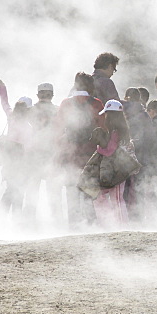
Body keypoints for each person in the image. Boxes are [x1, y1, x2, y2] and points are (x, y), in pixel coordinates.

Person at [53, 72, 105, 229]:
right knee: (89, 189)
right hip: (91, 154)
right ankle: (91, 224)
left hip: (70, 153)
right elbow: (103, 129)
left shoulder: (66, 104)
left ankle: (73, 226)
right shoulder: (96, 104)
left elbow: (58, 129)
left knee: (71, 189)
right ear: (91, 86)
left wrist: (59, 150)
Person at [79, 100, 131, 228]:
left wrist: (99, 148)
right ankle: (115, 226)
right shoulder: (122, 131)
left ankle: (118, 227)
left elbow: (110, 150)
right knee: (113, 197)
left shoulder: (115, 132)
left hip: (116, 169)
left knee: (115, 198)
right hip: (118, 169)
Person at [0, 79, 35, 220]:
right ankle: (15, 221)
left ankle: (0, 218)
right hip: (22, 162)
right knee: (18, 191)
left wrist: (3, 88)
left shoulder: (11, 117)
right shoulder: (28, 127)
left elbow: (4, 103)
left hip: (9, 160)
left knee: (10, 190)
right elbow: (29, 148)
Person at [29, 82, 60, 222]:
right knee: (51, 189)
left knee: (34, 188)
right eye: (45, 94)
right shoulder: (58, 110)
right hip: (49, 152)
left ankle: (28, 221)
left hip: (37, 152)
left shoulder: (31, 110)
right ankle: (55, 219)